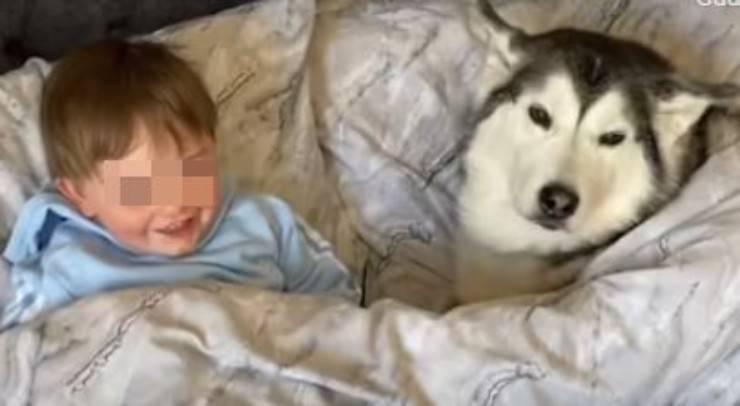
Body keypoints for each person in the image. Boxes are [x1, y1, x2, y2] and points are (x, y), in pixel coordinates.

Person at [0, 38, 358, 329]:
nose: (176, 202)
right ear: (80, 195)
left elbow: (338, 309)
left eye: (192, 171)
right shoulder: (66, 262)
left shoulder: (265, 225)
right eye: (143, 187)